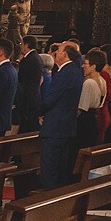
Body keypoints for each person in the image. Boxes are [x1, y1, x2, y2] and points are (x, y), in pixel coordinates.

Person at [38, 40, 84, 188]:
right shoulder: (76, 71)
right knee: (61, 168)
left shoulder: (65, 73)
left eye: (58, 50)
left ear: (64, 54)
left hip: (55, 128)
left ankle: (48, 204)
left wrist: (39, 112)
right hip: (66, 127)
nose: (56, 52)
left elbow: (50, 99)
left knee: (50, 169)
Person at [80, 47, 111, 150]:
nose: (83, 66)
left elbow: (82, 107)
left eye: (86, 63)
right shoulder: (102, 80)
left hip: (84, 122)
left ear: (93, 66)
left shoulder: (89, 83)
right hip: (94, 119)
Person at [15, 35, 44, 133]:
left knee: (25, 123)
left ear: (26, 45)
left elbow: (21, 78)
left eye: (21, 44)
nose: (20, 46)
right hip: (32, 96)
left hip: (27, 96)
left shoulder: (30, 59)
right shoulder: (35, 57)